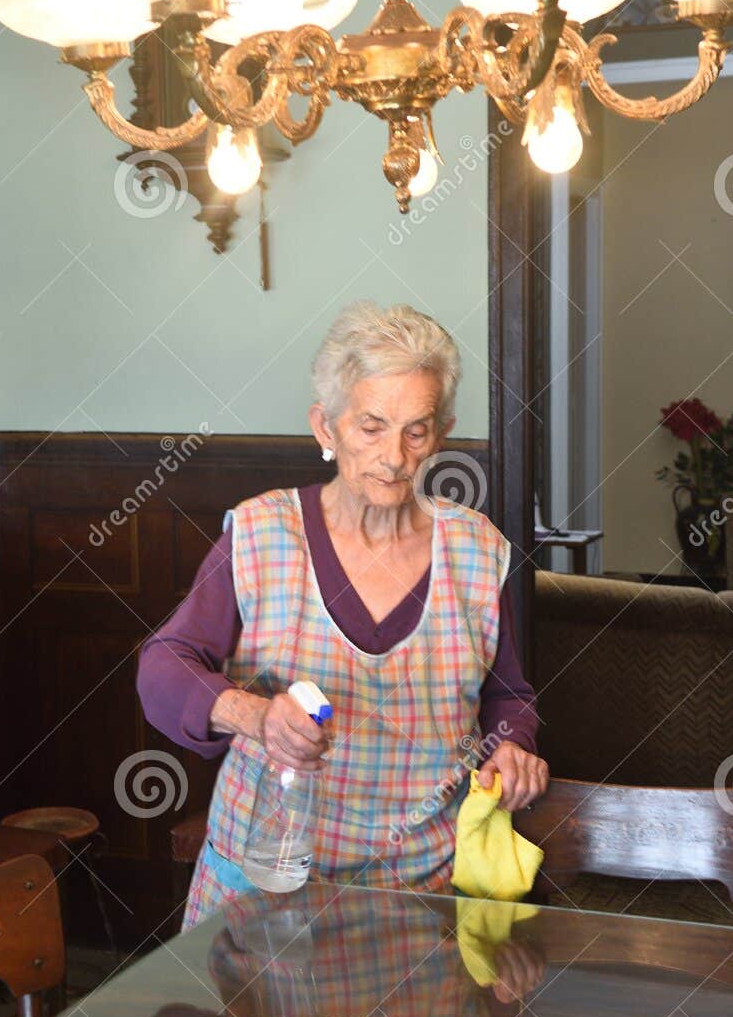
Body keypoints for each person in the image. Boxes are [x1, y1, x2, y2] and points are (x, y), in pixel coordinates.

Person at [138, 300, 549, 926]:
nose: (395, 456)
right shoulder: (261, 533)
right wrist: (255, 716)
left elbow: (506, 695)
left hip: (421, 900)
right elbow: (163, 667)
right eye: (372, 426)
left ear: (441, 433)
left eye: (417, 431)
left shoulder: (477, 549)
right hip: (265, 888)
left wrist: (512, 746)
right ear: (326, 428)